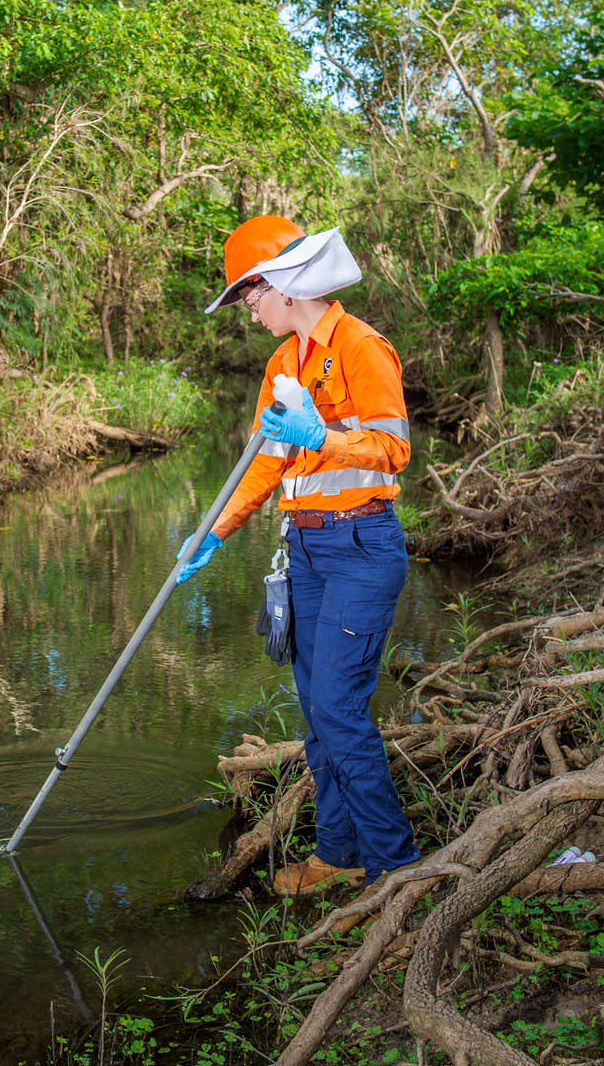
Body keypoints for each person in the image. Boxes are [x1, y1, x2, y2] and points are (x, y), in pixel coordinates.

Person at [177, 214, 421, 896]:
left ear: (284, 283)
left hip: (361, 546)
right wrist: (214, 533)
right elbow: (264, 463)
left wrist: (323, 434)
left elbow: (393, 449)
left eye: (251, 296)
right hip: (306, 550)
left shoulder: (363, 347)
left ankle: (396, 868)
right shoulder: (284, 363)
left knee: (341, 711)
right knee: (317, 712)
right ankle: (338, 854)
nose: (248, 311)